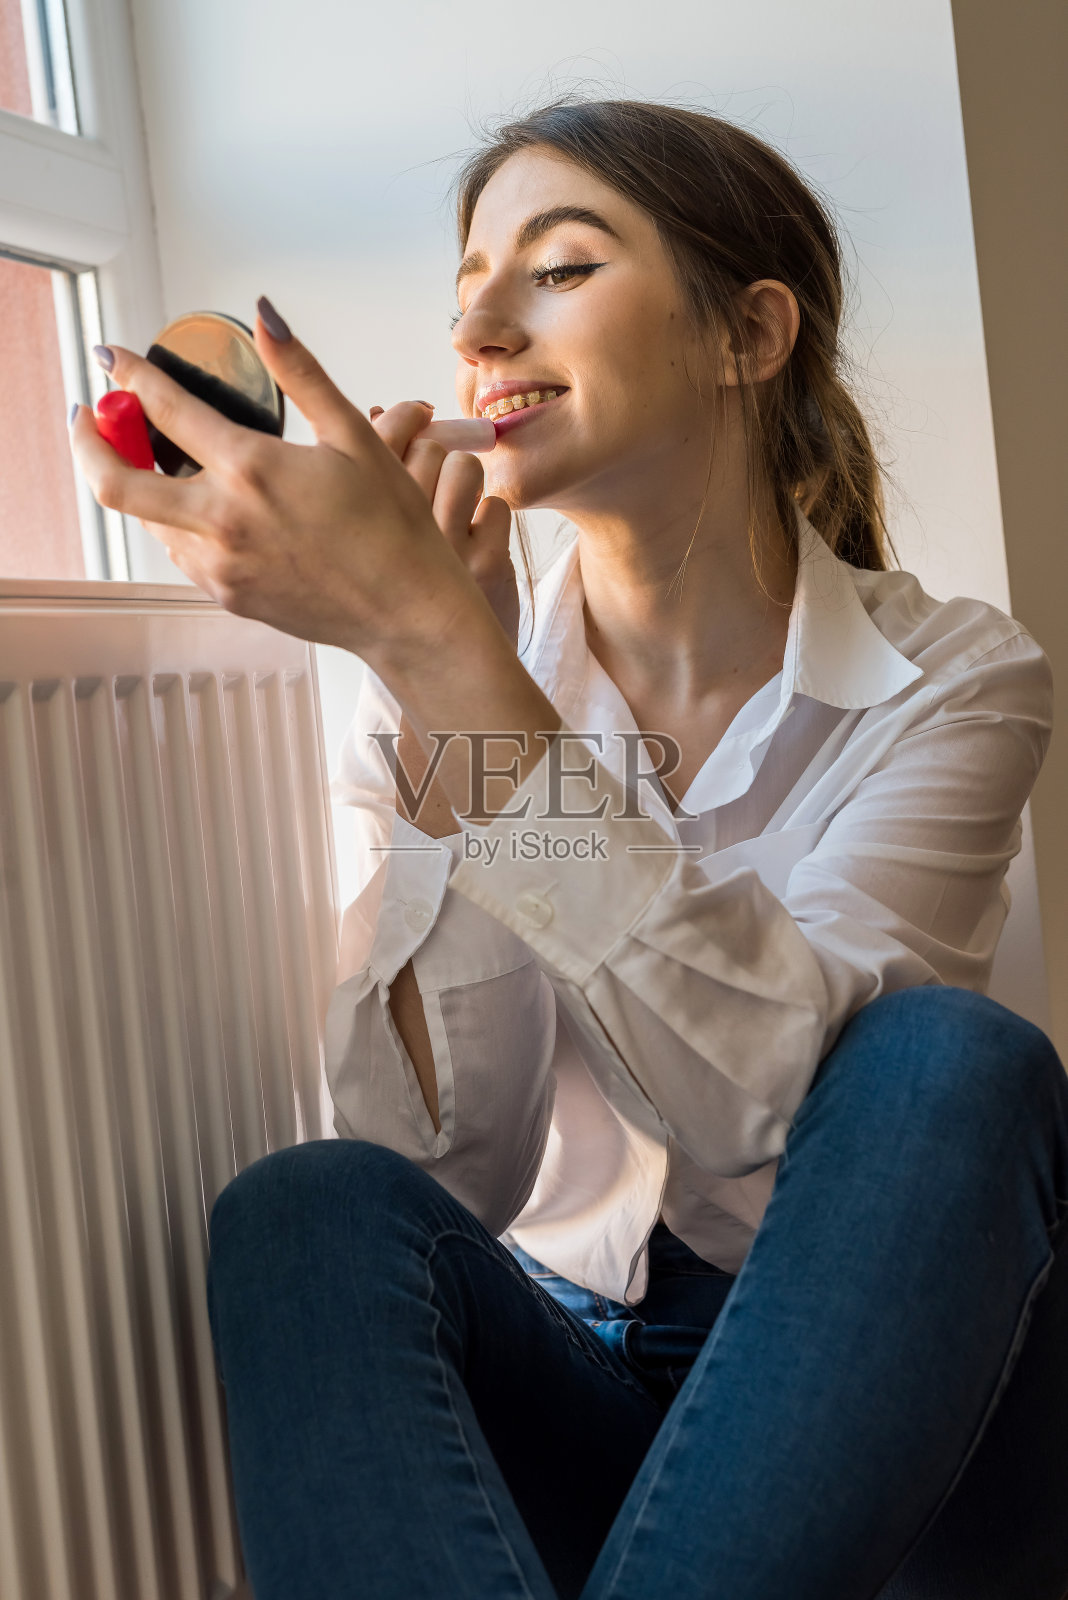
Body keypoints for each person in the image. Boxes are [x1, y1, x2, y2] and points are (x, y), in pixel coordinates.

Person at [70, 97, 1068, 1600]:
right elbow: (442, 1169)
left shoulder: (960, 682)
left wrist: (446, 656)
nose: (478, 319)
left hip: (896, 1412)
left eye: (559, 268)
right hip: (590, 1402)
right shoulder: (446, 680)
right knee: (307, 1208)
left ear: (751, 334)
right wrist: (439, 677)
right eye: (470, 279)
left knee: (949, 1062)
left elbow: (783, 1154)